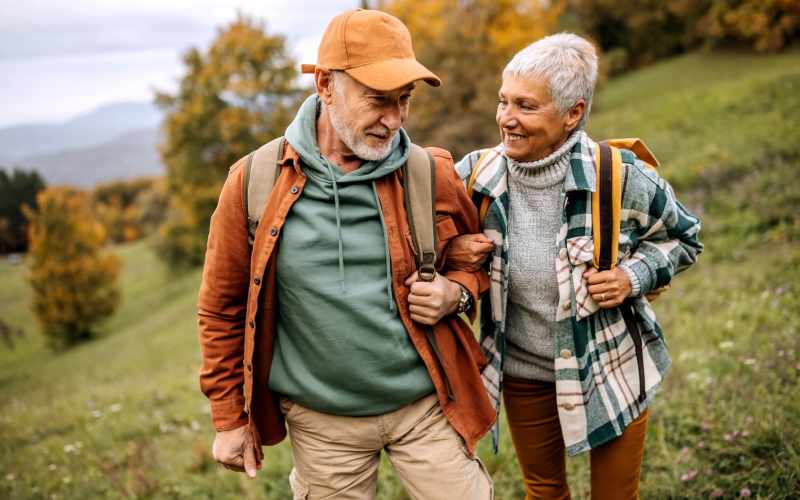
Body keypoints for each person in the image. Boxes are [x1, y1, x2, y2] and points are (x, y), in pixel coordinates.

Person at [197, 9, 494, 500]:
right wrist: (230, 419)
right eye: (378, 100)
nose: (394, 120)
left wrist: (456, 294)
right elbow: (220, 307)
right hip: (322, 425)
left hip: (426, 407)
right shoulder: (254, 182)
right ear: (325, 85)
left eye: (404, 101)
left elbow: (471, 260)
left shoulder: (429, 172)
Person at [448, 33, 703, 499]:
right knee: (544, 491)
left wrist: (633, 276)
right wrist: (455, 252)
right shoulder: (474, 176)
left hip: (610, 365)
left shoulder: (620, 175)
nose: (507, 118)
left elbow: (685, 237)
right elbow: (430, 236)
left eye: (526, 106)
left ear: (573, 113)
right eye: (503, 102)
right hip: (524, 370)